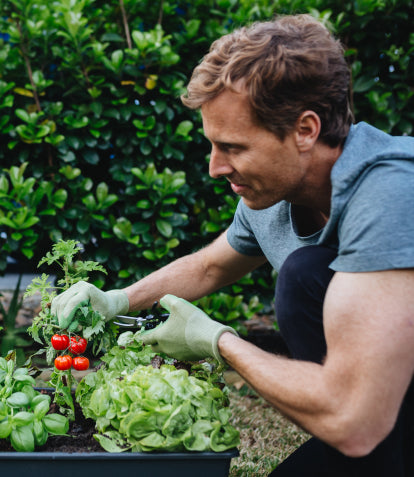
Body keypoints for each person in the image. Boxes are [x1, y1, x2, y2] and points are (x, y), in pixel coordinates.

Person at [51, 14, 414, 476]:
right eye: (212, 145)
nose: (215, 167)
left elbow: (354, 420)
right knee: (307, 276)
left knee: (303, 276)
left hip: (366, 415)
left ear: (305, 130)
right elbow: (211, 267)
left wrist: (221, 343)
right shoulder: (275, 195)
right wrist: (117, 300)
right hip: (376, 415)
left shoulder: (392, 191)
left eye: (234, 147)